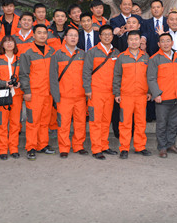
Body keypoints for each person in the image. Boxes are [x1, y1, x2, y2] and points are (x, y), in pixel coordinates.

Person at [83, 24, 121, 160]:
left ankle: (104, 145)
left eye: (109, 34)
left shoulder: (116, 52)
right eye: (104, 34)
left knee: (106, 121)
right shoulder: (92, 52)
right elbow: (86, 72)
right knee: (95, 121)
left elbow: (118, 73)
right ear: (99, 36)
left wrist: (117, 91)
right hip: (96, 92)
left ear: (112, 36)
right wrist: (87, 89)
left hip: (110, 93)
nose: (107, 37)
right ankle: (96, 148)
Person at [19, 24, 56, 160]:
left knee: (45, 121)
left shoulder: (51, 51)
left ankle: (43, 145)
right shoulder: (27, 52)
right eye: (39, 33)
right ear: (33, 35)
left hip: (48, 93)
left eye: (44, 33)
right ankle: (31, 147)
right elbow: (23, 74)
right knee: (33, 121)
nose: (42, 35)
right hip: (34, 93)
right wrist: (26, 91)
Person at [49, 27, 88, 158]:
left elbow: (86, 75)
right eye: (70, 35)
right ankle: (64, 148)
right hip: (64, 96)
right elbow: (53, 77)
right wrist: (56, 96)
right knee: (63, 124)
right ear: (65, 38)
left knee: (80, 122)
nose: (73, 38)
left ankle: (78, 146)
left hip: (80, 96)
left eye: (75, 35)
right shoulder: (57, 55)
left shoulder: (82, 54)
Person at [113, 30, 152, 159]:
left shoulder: (146, 57)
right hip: (126, 95)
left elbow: (149, 76)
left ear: (140, 41)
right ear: (127, 41)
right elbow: (117, 76)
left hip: (141, 95)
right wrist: (117, 93)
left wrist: (149, 91)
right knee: (125, 123)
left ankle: (140, 146)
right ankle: (124, 148)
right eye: (131, 39)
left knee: (141, 122)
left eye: (136, 39)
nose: (134, 42)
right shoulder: (122, 57)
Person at [148, 33, 177, 158]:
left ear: (172, 43)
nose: (165, 44)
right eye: (163, 41)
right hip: (163, 98)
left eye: (168, 41)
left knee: (173, 123)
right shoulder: (155, 58)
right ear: (159, 44)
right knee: (161, 124)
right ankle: (162, 147)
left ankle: (171, 144)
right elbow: (151, 78)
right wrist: (156, 94)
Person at [0, 35, 24, 160]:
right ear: (2, 45)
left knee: (15, 123)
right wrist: (4, 83)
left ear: (15, 44)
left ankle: (13, 148)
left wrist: (20, 83)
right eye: (6, 42)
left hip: (16, 95)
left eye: (11, 42)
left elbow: (25, 75)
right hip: (1, 95)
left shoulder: (20, 59)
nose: (9, 44)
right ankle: (3, 149)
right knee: (2, 124)